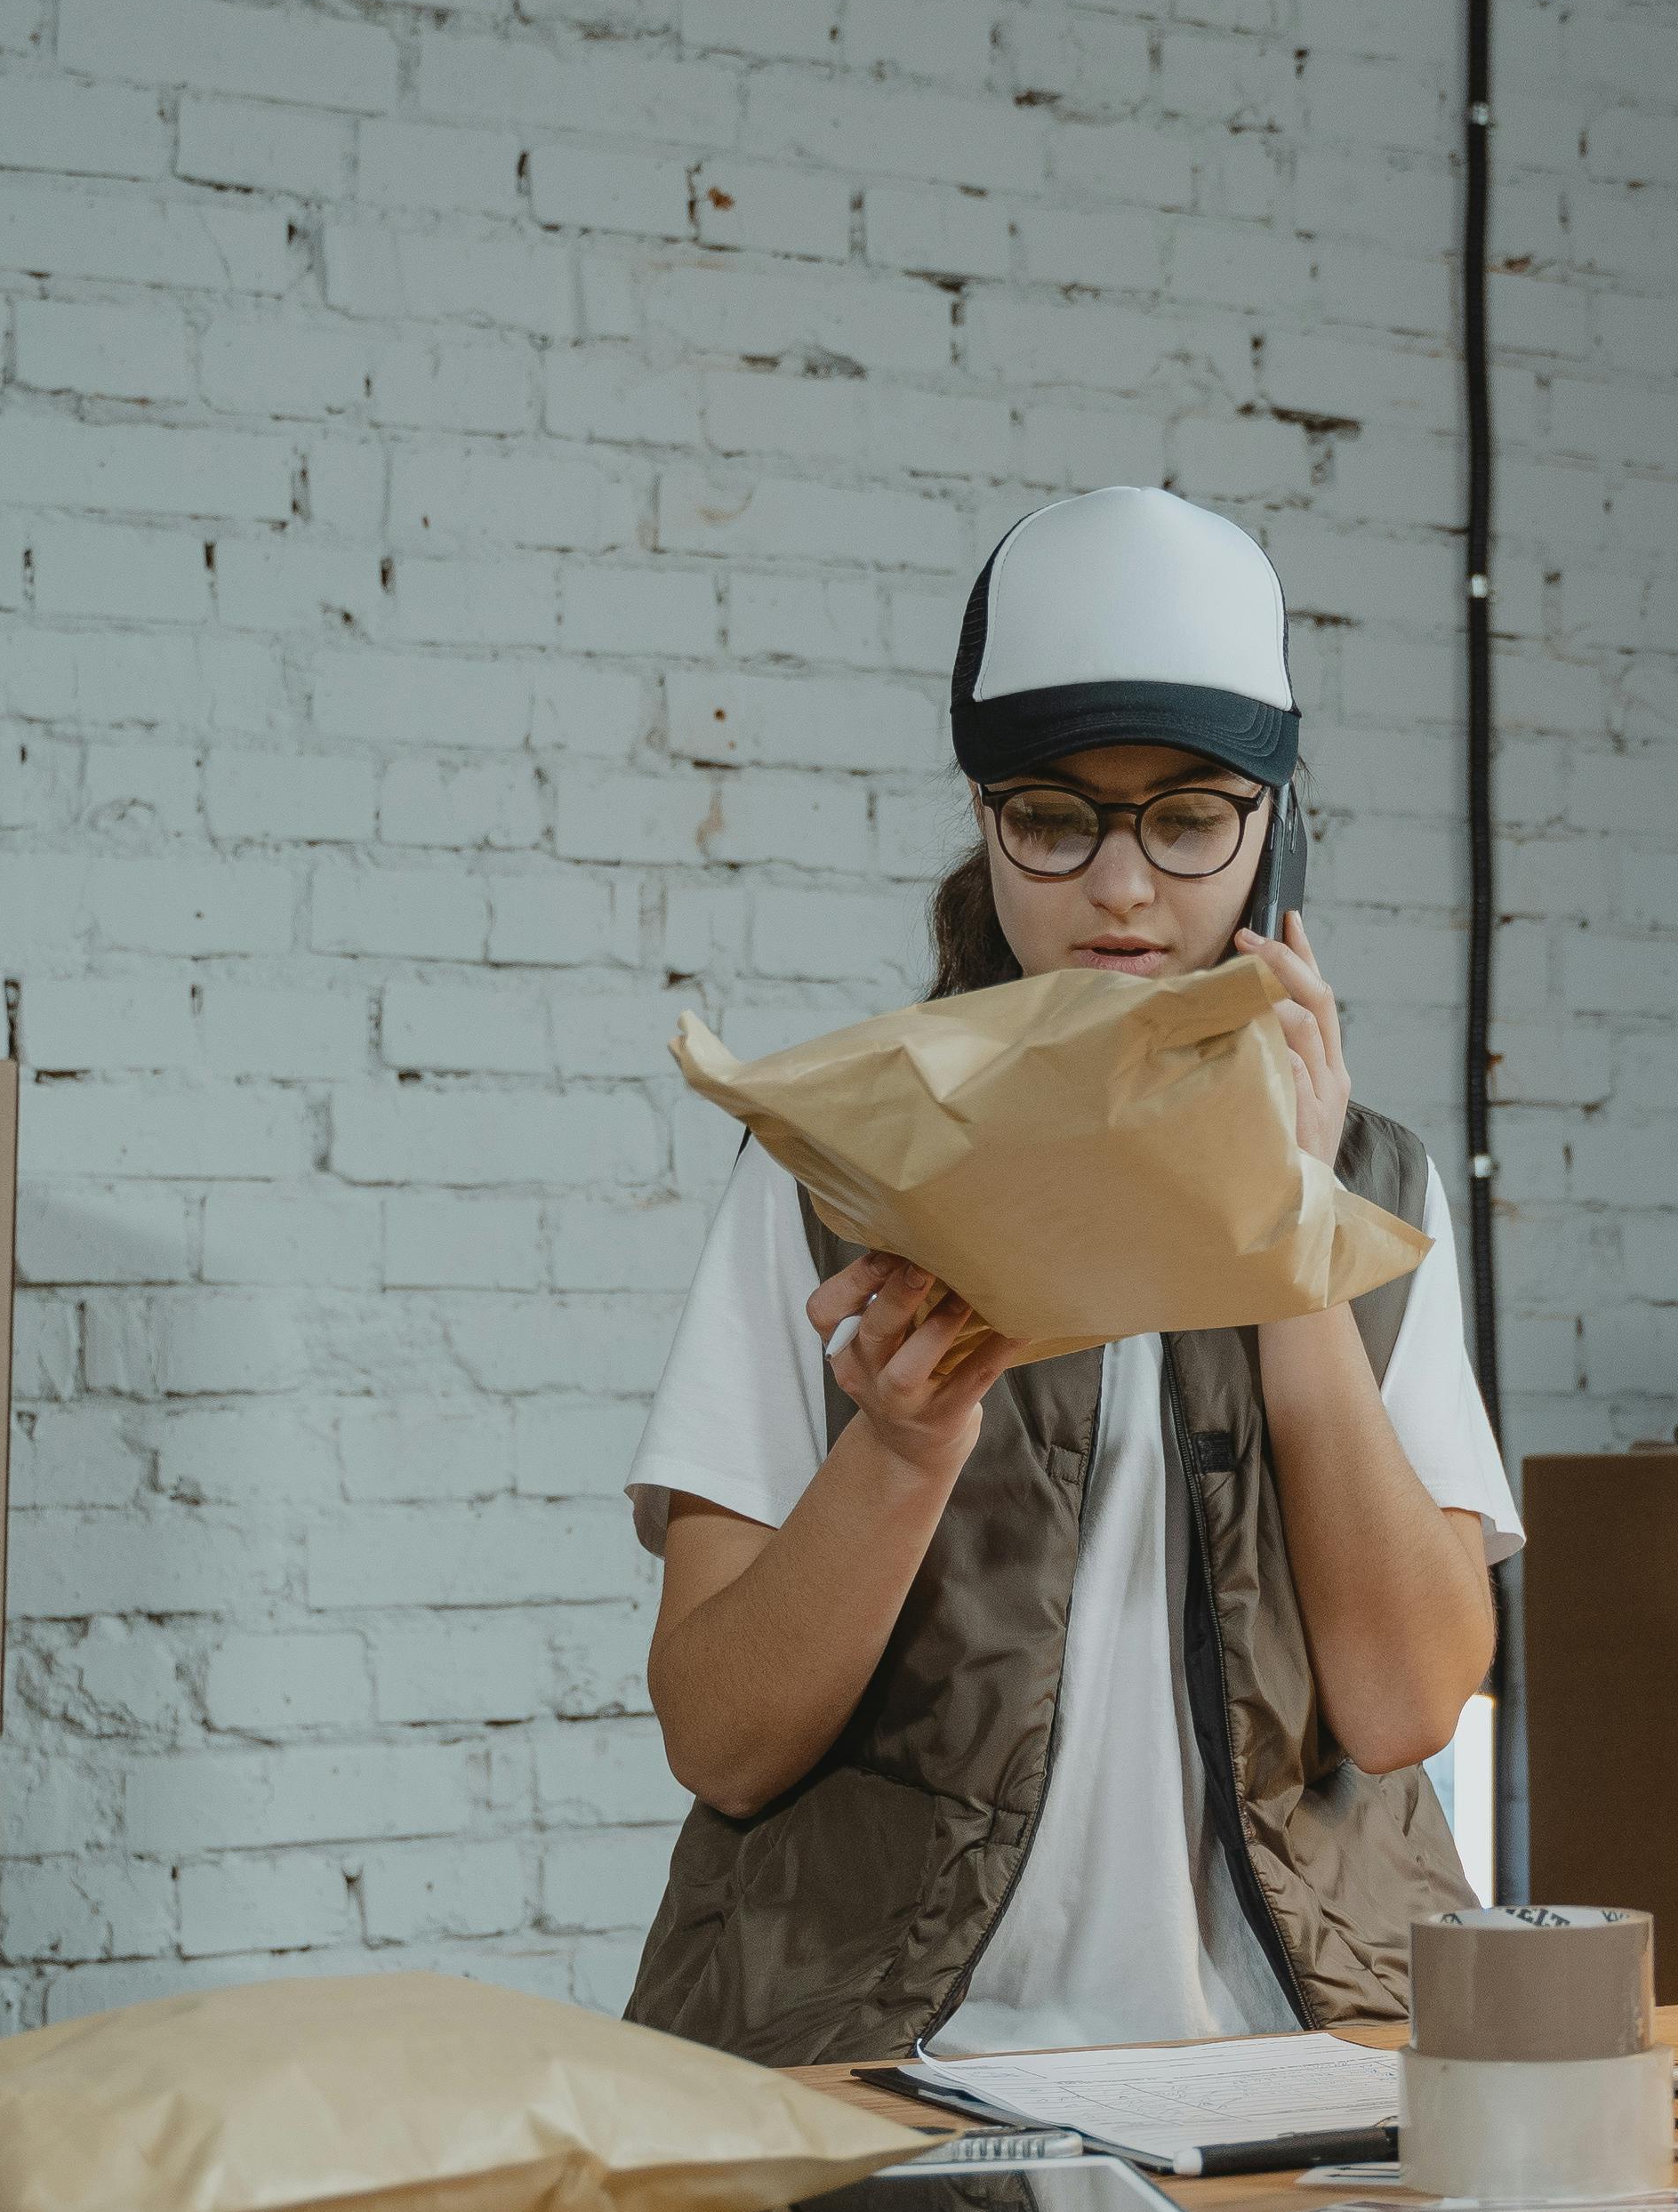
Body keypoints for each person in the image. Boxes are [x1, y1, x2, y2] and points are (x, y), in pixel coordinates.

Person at [622, 487, 1516, 2063]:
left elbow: (1407, 1707)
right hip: (889, 2067)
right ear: (987, 825)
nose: (1122, 888)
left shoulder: (1375, 1187)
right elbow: (723, 1738)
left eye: (1186, 820)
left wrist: (1287, 1241)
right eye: (1056, 819)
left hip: (1293, 2059)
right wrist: (898, 1452)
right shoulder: (827, 1175)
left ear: (1272, 830)